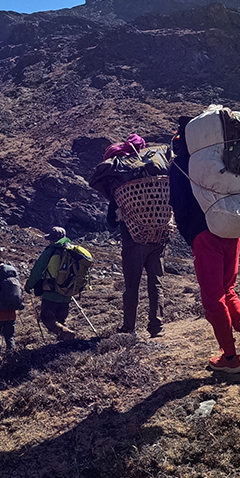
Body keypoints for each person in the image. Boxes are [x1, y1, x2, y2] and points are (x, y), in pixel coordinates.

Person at [169, 117, 240, 373]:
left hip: (204, 233)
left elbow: (177, 203)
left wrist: (191, 235)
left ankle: (230, 359)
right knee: (227, 288)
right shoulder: (220, 156)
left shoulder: (180, 165)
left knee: (213, 297)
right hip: (231, 227)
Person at [93, 136, 170, 337]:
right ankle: (157, 326)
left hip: (133, 240)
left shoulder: (122, 183)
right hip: (159, 236)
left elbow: (111, 220)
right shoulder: (157, 177)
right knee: (156, 283)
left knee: (132, 286)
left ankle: (129, 327)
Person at [27, 227, 77, 341]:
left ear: (52, 239)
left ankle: (65, 333)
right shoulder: (71, 250)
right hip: (67, 292)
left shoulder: (51, 251)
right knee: (61, 320)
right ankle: (63, 343)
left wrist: (29, 285)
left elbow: (37, 270)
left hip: (51, 291)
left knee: (46, 318)